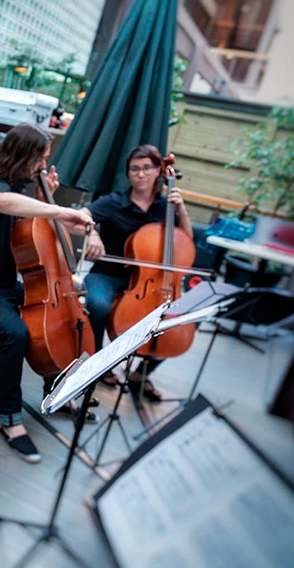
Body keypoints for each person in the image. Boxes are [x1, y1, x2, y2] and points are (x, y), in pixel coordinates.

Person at [0, 124, 95, 463]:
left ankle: (55, 388)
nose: (43, 167)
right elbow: (3, 203)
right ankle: (9, 419)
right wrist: (60, 210)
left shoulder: (19, 190)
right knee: (16, 332)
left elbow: (28, 233)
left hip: (3, 283)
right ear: (23, 156)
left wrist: (46, 199)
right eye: (40, 159)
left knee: (53, 318)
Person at [82, 144, 193, 400]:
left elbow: (186, 244)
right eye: (135, 169)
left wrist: (182, 212)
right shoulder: (113, 202)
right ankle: (100, 364)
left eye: (147, 168)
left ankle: (140, 373)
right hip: (108, 273)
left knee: (179, 321)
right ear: (128, 174)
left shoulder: (165, 208)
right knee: (97, 304)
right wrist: (93, 234)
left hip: (155, 284)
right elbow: (82, 215)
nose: (141, 174)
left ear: (158, 171)